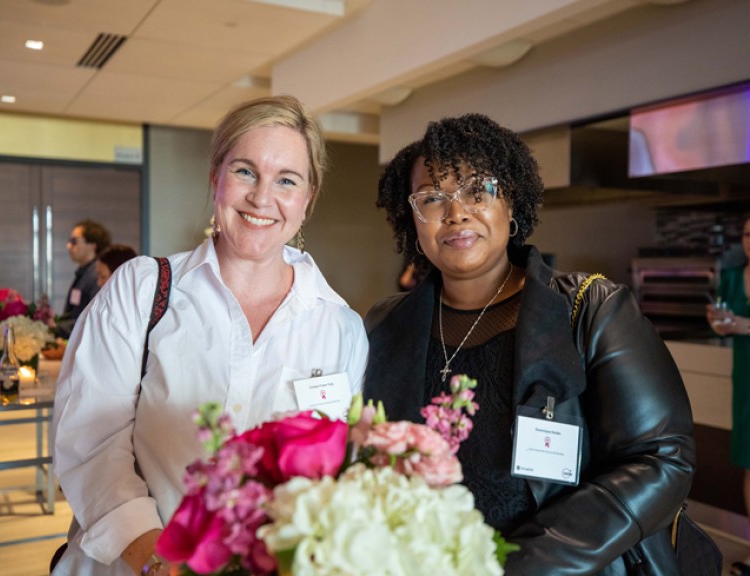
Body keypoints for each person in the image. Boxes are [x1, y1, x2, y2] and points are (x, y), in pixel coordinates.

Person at [363, 113, 696, 574]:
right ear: (412, 220)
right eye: (432, 198)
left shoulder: (593, 309)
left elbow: (662, 460)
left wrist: (517, 566)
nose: (456, 212)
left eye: (477, 191)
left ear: (511, 203)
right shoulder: (383, 324)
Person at [52, 96, 369, 575]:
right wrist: (158, 561)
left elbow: (338, 476)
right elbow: (90, 441)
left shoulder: (340, 327)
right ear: (215, 177)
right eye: (245, 171)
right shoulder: (142, 290)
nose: (263, 198)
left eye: (287, 180)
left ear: (308, 199)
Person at [706, 215, 750, 576]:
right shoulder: (734, 276)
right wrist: (718, 322)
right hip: (745, 375)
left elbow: (740, 323)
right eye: (749, 233)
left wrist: (742, 325)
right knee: (749, 461)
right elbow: (722, 316)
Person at [54, 219, 111, 338]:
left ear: (92, 246)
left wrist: (55, 327)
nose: (69, 246)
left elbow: (92, 319)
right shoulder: (84, 272)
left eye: (74, 241)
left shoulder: (96, 275)